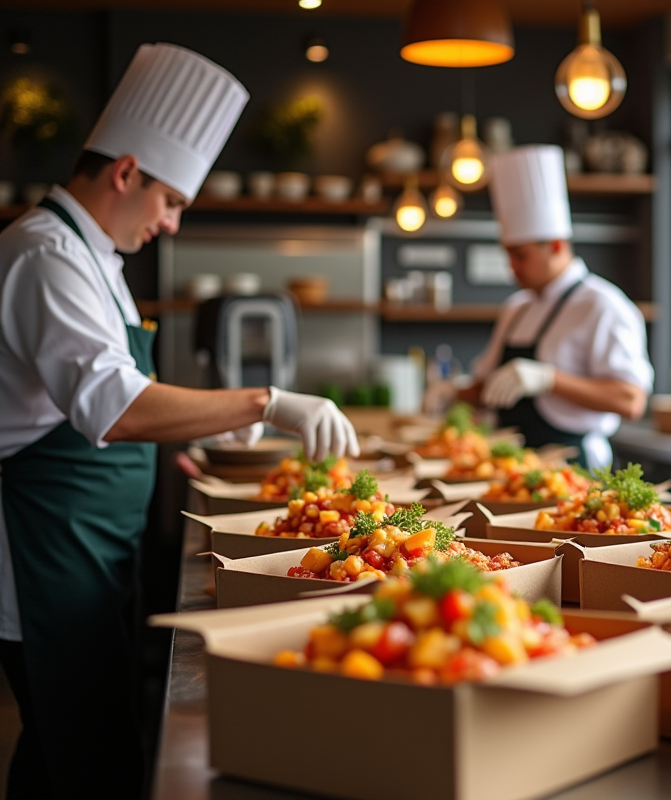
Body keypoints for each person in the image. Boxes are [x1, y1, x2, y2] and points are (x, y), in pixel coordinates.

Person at [0, 43, 357, 799]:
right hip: (39, 553)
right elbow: (116, 407)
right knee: (81, 755)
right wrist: (266, 402)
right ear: (126, 172)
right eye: (170, 203)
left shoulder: (98, 260)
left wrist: (201, 428)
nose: (169, 224)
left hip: (89, 547)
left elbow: (125, 388)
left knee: (69, 749)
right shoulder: (43, 256)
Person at [459, 145, 653, 469]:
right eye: (508, 255)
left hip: (575, 469)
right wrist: (450, 392)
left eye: (520, 256)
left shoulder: (602, 306)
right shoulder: (516, 308)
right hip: (512, 467)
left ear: (556, 246)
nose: (511, 267)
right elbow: (489, 389)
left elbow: (631, 400)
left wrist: (549, 379)